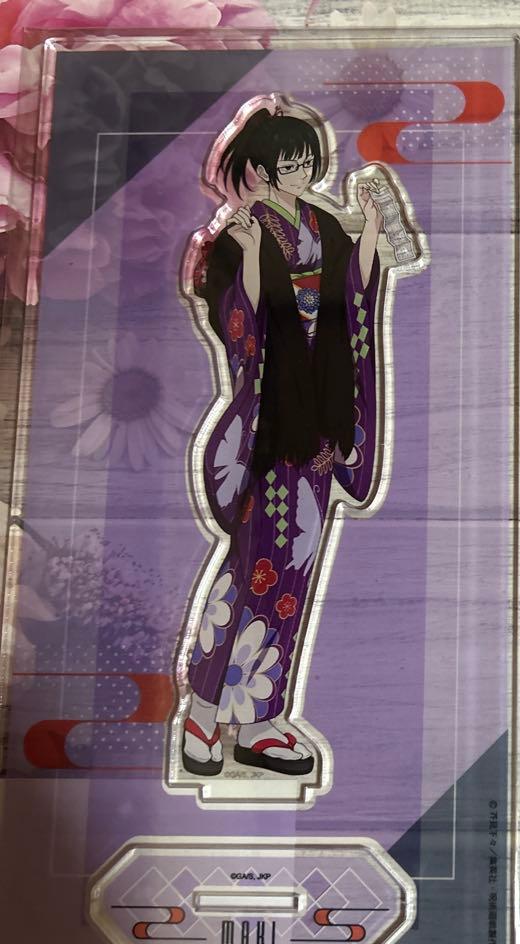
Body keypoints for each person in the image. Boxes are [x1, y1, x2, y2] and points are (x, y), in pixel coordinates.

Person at [179, 105, 385, 778]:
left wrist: (372, 231)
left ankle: (259, 722)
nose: (298, 172)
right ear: (262, 169)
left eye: (304, 162)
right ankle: (202, 715)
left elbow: (352, 296)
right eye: (286, 164)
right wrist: (248, 254)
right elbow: (242, 319)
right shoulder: (243, 231)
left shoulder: (322, 225)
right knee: (248, 571)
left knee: (291, 574)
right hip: (271, 427)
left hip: (319, 419)